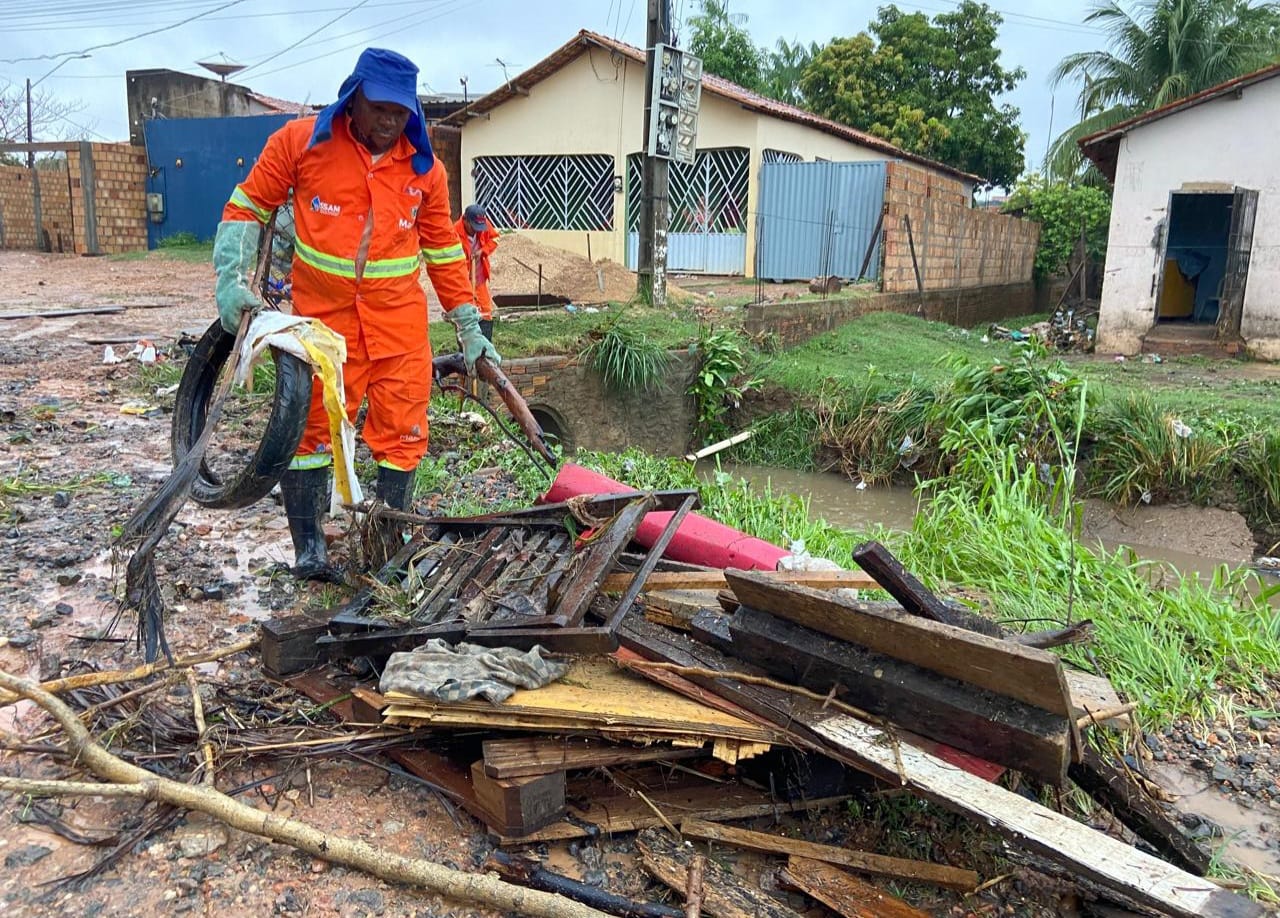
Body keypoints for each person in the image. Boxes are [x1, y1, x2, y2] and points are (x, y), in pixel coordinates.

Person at [211, 47, 500, 582]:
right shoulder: (300, 144)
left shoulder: (425, 172)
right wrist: (230, 279)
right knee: (309, 433)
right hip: (323, 330)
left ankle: (386, 555)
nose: (391, 121)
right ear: (354, 98)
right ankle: (311, 553)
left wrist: (468, 325)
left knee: (404, 434)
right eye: (380, 109)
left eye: (401, 113)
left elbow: (442, 251)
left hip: (400, 333)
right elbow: (248, 204)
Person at [454, 204, 500, 341]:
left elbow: (495, 238)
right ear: (465, 220)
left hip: (479, 278)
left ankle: (486, 345)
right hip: (462, 280)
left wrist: (483, 251)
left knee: (486, 311)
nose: (476, 230)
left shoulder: (483, 223)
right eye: (473, 226)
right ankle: (465, 348)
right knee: (465, 313)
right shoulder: (454, 232)